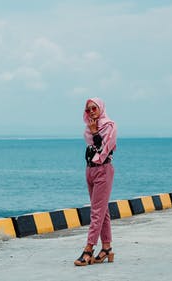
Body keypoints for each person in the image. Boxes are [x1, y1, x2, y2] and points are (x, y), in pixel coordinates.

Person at [74, 97, 117, 266]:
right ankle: (106, 248)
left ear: (101, 109)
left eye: (94, 108)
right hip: (90, 170)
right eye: (88, 109)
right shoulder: (89, 129)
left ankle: (89, 249)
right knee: (102, 210)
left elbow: (103, 150)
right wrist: (92, 130)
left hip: (103, 170)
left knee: (96, 212)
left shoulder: (109, 126)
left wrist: (94, 132)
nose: (91, 112)